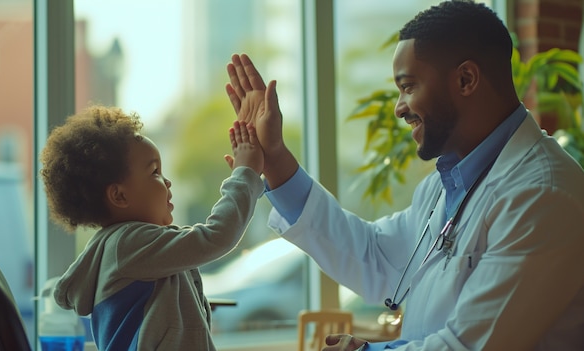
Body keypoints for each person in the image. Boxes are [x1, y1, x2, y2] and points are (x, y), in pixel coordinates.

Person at [225, 1, 584, 350]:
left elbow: (471, 345)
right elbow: (375, 256)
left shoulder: (543, 193)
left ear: (466, 79)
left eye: (408, 86)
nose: (399, 108)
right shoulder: (443, 188)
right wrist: (273, 160)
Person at [39, 105, 264, 351]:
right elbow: (217, 236)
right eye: (154, 172)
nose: (167, 181)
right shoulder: (128, 244)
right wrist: (245, 174)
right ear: (119, 195)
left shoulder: (130, 248)